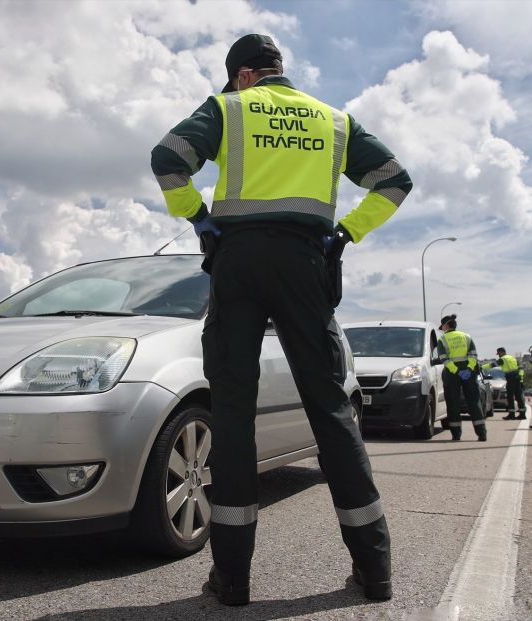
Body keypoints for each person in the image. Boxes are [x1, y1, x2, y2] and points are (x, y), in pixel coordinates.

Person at [151, 33, 412, 605]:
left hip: (238, 264)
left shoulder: (228, 108)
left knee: (234, 414)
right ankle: (375, 571)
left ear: (242, 76)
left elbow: (168, 160)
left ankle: (233, 579)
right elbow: (395, 180)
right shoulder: (335, 121)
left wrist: (200, 219)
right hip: (305, 263)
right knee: (332, 410)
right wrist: (345, 233)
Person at [437, 315, 487, 441]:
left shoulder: (443, 339)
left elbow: (444, 359)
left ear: (446, 325)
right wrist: (468, 369)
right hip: (469, 372)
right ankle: (482, 434)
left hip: (452, 373)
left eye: (442, 326)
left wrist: (457, 371)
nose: (442, 329)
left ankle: (456, 434)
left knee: (452, 402)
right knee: (474, 401)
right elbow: (473, 356)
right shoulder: (467, 337)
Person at [495, 347, 526, 420]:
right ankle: (522, 415)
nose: (498, 355)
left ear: (502, 352)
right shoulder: (513, 358)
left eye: (498, 353)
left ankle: (512, 414)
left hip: (510, 379)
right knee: (519, 397)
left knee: (510, 397)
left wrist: (481, 367)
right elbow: (521, 368)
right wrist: (521, 380)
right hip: (517, 378)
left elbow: (492, 365)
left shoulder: (502, 359)